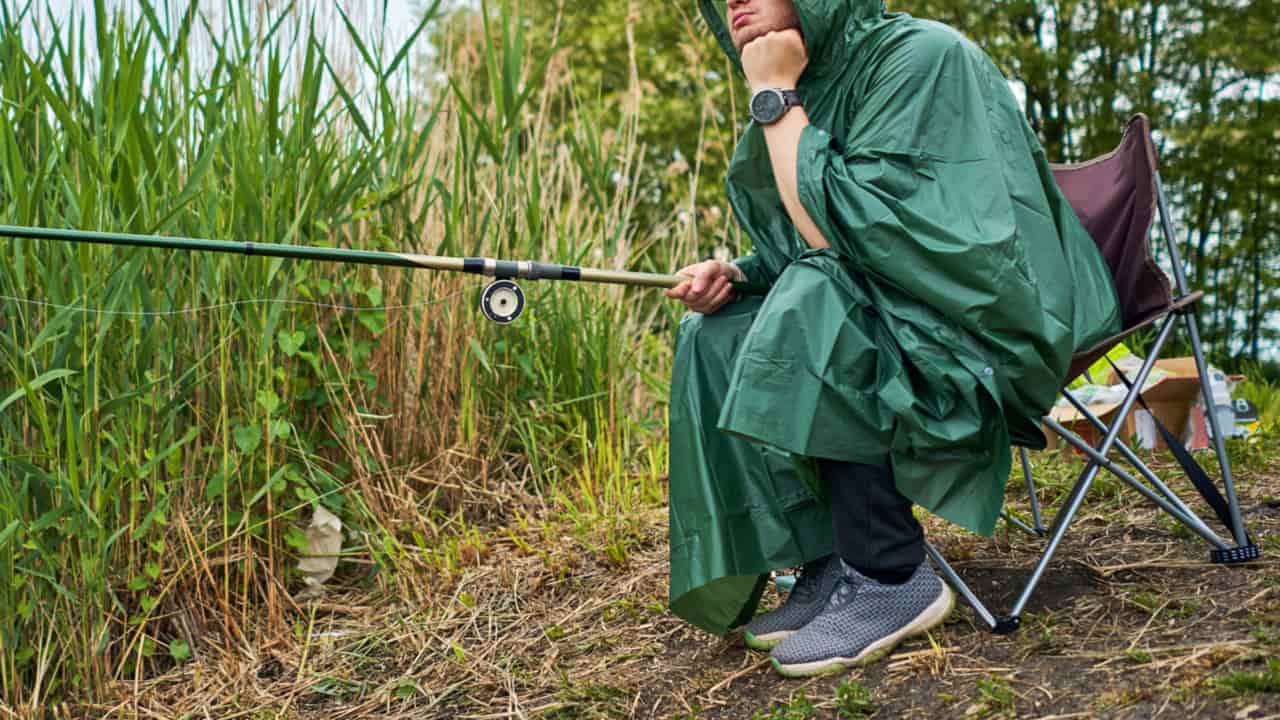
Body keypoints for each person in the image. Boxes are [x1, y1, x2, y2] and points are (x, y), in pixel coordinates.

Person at [664, 0, 1122, 677]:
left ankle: (888, 573)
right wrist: (738, 272)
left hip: (990, 323)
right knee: (715, 333)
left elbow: (867, 242)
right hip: (900, 300)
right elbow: (809, 241)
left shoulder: (921, 60)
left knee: (819, 302)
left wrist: (772, 95)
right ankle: (827, 557)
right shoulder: (813, 80)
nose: (734, 0)